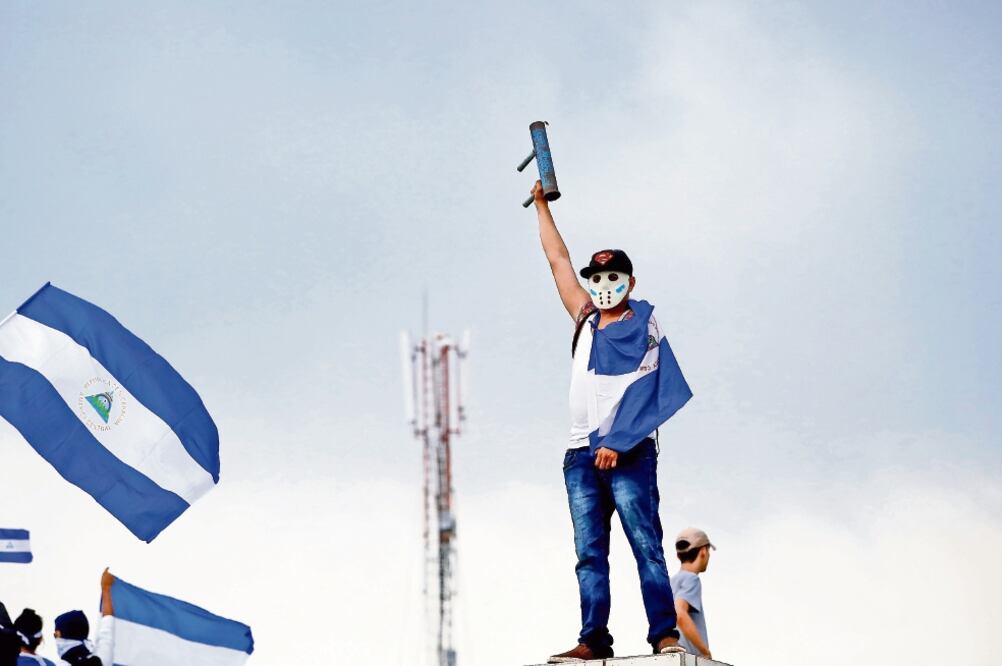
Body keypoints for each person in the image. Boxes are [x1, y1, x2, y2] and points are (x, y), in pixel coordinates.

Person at [532, 181, 694, 662]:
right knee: (589, 554)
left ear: (630, 282)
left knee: (645, 541)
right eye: (597, 280)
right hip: (580, 454)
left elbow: (649, 386)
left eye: (613, 279)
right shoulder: (584, 317)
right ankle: (592, 639)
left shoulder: (643, 325)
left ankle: (664, 633)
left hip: (627, 454)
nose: (604, 288)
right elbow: (559, 262)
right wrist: (540, 207)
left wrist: (619, 441)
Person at [670, 527, 715, 659]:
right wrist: (704, 651)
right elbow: (680, 612)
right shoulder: (692, 579)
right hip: (688, 658)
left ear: (678, 555)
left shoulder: (670, 583)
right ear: (703, 551)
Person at [53, 570, 115, 666]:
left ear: (59, 634)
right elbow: (107, 627)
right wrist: (106, 589)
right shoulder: (101, 660)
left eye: (55, 635)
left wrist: (106, 589)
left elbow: (107, 626)